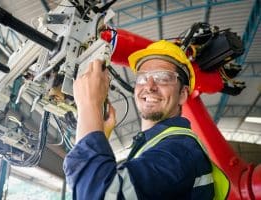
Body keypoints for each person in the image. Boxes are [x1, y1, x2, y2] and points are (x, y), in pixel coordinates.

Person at [63, 40, 228, 199]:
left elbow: (99, 195)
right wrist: (98, 134)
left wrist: (89, 105)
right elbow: (84, 187)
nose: (149, 86)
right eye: (142, 77)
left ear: (183, 94)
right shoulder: (152, 148)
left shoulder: (179, 151)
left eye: (163, 77)